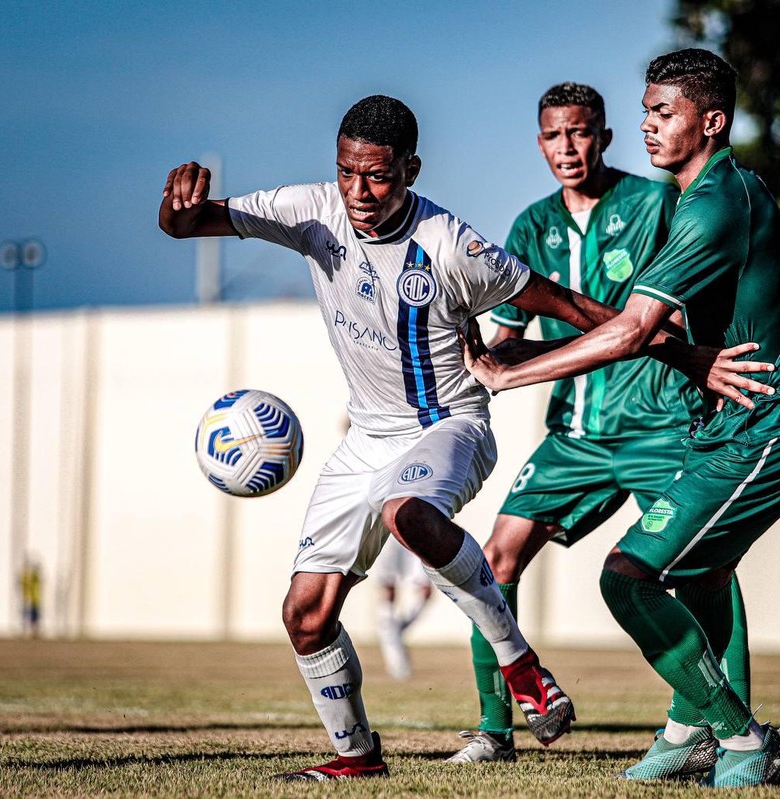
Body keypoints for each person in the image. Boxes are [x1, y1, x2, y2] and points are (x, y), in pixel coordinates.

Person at [159, 95, 592, 780]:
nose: (359, 192)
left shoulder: (452, 245)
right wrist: (175, 208)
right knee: (305, 614)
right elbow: (187, 227)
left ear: (411, 169)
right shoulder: (314, 210)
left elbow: (566, 306)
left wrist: (664, 342)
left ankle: (523, 667)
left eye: (379, 176)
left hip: (449, 424)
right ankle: (357, 756)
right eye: (347, 172)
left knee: (407, 511)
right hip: (366, 439)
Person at [462, 50, 780, 788]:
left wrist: (509, 373)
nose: (648, 125)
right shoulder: (710, 194)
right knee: (668, 569)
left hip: (765, 429)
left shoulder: (709, 203)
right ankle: (685, 728)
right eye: (647, 111)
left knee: (633, 576)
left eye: (663, 113)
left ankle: (740, 737)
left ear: (712, 121)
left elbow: (632, 328)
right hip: (705, 430)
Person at [447, 82, 752, 768]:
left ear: (605, 136)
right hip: (576, 437)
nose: (568, 148)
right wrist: (471, 351)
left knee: (705, 566)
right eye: (555, 136)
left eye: (581, 133)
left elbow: (674, 313)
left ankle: (728, 729)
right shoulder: (531, 226)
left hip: (658, 422)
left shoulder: (653, 203)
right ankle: (494, 731)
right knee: (492, 561)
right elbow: (509, 338)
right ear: (540, 143)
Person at [373, 535, 433, 680]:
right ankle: (397, 664)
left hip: (416, 528)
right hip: (387, 531)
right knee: (389, 589)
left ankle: (393, 634)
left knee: (425, 590)